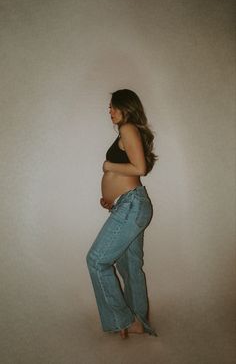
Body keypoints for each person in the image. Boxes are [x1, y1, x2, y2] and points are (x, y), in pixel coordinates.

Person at [86, 89, 158, 339]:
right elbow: (130, 172)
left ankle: (123, 320)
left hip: (132, 205)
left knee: (96, 260)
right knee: (131, 267)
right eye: (109, 107)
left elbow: (140, 168)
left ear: (126, 107)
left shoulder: (128, 128)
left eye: (113, 106)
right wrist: (111, 198)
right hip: (127, 205)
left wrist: (108, 166)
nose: (110, 111)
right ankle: (140, 322)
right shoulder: (127, 131)